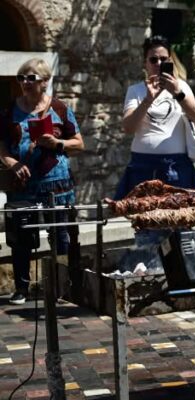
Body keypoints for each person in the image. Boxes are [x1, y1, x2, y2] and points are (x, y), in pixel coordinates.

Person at [0, 58, 84, 304]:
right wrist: (12, 163)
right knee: (20, 236)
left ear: (45, 81)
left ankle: (62, 287)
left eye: (31, 78)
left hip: (56, 185)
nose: (25, 82)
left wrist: (57, 143)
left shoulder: (59, 109)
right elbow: (1, 146)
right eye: (21, 78)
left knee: (60, 236)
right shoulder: (9, 111)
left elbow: (79, 143)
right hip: (22, 184)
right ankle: (22, 288)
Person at [115, 35, 195, 200]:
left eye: (163, 59)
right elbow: (128, 127)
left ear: (170, 61)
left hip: (176, 165)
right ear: (145, 63)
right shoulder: (135, 90)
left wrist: (177, 93)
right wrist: (148, 100)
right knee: (143, 213)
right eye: (153, 60)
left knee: (179, 213)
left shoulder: (182, 87)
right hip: (142, 166)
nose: (158, 64)